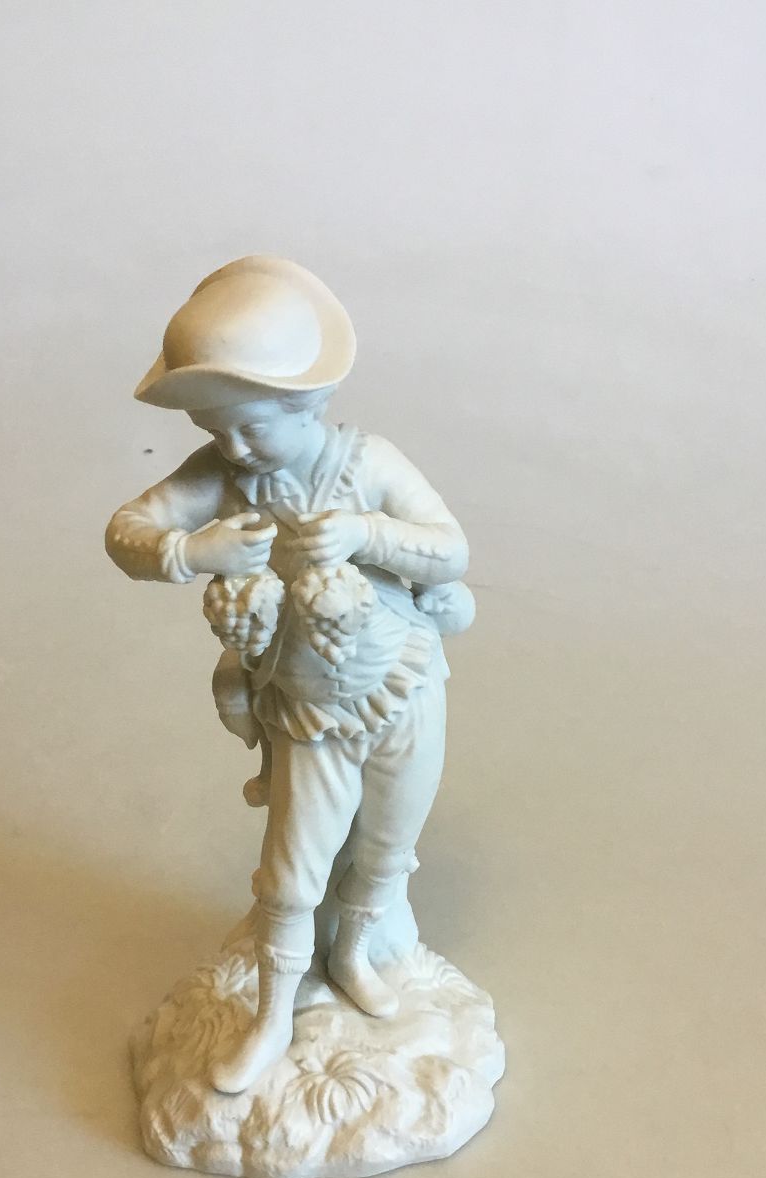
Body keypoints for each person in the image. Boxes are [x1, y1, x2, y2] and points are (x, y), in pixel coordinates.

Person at [106, 255, 472, 1093]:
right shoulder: (221, 478)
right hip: (308, 711)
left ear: (306, 402)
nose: (233, 448)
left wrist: (366, 534)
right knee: (291, 874)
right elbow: (126, 531)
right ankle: (273, 1013)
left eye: (250, 427)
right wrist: (192, 550)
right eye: (214, 431)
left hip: (404, 684)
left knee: (387, 843)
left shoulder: (368, 463)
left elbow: (450, 549)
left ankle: (354, 953)